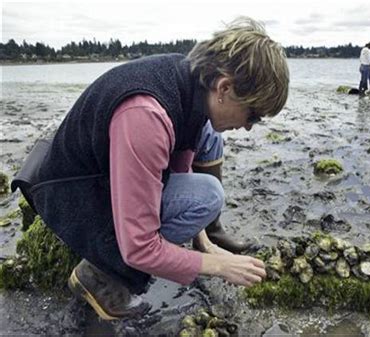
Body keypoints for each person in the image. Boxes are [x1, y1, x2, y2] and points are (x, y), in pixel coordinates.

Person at [11, 18, 289, 320]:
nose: (249, 128)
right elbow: (140, 248)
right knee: (208, 196)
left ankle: (207, 234)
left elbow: (180, 165)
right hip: (69, 192)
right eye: (254, 115)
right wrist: (221, 267)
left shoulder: (192, 80)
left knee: (211, 137)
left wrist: (204, 244)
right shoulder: (146, 116)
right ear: (224, 87)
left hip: (97, 168)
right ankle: (100, 272)